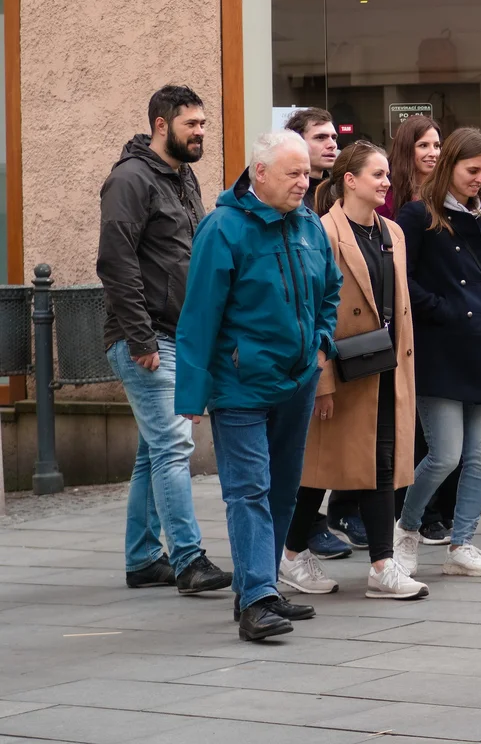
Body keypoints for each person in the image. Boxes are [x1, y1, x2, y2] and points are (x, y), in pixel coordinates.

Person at [174, 130, 343, 642]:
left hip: (297, 380)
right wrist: (192, 396)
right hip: (240, 384)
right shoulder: (222, 228)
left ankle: (259, 586)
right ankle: (257, 602)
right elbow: (199, 315)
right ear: (260, 173)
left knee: (284, 488)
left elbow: (330, 289)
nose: (305, 182)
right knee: (249, 491)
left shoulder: (308, 224)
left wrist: (321, 344)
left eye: (307, 173)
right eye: (293, 173)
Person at [278, 143, 428, 601]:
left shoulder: (393, 233)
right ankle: (290, 554)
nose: (386, 182)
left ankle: (382, 566)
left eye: (386, 175)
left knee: (378, 463)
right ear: (350, 180)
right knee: (320, 471)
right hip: (341, 371)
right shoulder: (322, 233)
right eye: (377, 175)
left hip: (385, 370)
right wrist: (321, 384)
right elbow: (312, 311)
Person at [97, 85, 232, 595]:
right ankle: (189, 560)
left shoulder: (182, 176)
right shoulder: (129, 180)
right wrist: (140, 339)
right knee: (174, 445)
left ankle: (141, 558)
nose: (201, 132)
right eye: (191, 124)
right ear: (160, 124)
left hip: (179, 333)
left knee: (153, 450)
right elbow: (115, 262)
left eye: (202, 124)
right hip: (147, 337)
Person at [393, 128, 481, 578]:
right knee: (444, 454)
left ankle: (463, 542)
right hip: (440, 348)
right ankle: (406, 528)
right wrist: (443, 309)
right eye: (473, 170)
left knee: (480, 456)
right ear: (450, 166)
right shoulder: (416, 214)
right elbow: (399, 277)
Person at [283, 106, 358, 558]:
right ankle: (300, 532)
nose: (332, 143)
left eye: (334, 136)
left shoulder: (327, 194)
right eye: (321, 137)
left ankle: (316, 523)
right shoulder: (285, 195)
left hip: (321, 338)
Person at [379, 114, 456, 545]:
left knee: (436, 428)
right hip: (407, 322)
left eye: (437, 145)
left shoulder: (447, 196)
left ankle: (436, 509)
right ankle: (413, 512)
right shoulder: (393, 200)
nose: (432, 153)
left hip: (437, 321)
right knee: (413, 425)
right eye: (423, 146)